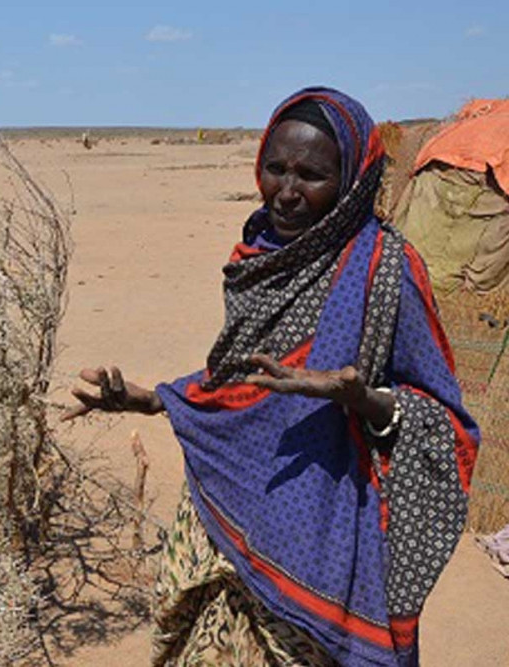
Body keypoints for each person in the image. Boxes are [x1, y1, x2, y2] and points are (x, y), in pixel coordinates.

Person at [63, 87, 479, 667]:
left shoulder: (387, 270)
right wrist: (157, 400)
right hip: (223, 512)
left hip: (319, 535)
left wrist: (363, 399)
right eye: (275, 168)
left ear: (351, 181)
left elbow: (447, 425)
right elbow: (240, 380)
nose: (286, 191)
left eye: (311, 175)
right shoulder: (259, 254)